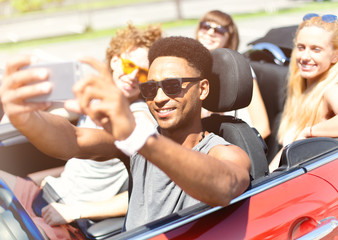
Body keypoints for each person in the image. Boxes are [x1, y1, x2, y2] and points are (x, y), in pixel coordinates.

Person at [1, 36, 251, 232]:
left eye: (173, 85)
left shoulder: (225, 150)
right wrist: (24, 117)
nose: (160, 98)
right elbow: (73, 139)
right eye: (150, 88)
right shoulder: (142, 143)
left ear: (203, 89)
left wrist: (139, 138)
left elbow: (224, 186)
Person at [0, 23, 161, 239]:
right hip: (46, 193)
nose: (133, 76)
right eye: (129, 65)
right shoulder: (94, 97)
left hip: (70, 218)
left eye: (142, 73)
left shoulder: (138, 115)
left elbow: (143, 194)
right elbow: (58, 117)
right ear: (115, 61)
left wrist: (75, 211)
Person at [269, 13, 338, 172]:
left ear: (335, 56)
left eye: (316, 49)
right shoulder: (300, 90)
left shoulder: (333, 91)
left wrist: (309, 132)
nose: (305, 56)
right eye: (301, 47)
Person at [195, 10, 271, 139]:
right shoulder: (191, 68)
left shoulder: (238, 70)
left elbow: (263, 127)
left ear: (229, 37)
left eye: (219, 29)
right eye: (205, 26)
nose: (210, 32)